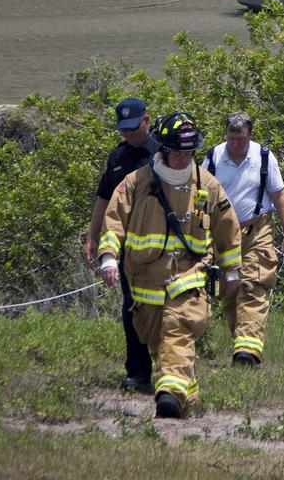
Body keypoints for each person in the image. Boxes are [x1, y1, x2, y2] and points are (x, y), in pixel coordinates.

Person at [98, 110, 242, 419]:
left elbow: (228, 230)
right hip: (145, 285)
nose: (182, 158)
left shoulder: (208, 185)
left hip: (189, 280)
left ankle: (169, 397)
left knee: (178, 331)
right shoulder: (136, 183)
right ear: (162, 149)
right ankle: (182, 391)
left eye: (188, 152)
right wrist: (109, 258)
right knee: (158, 343)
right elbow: (113, 221)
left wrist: (232, 272)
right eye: (177, 152)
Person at [204, 111, 284, 366]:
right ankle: (242, 343)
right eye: (232, 139)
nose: (236, 145)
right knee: (230, 291)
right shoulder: (213, 158)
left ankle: (247, 354)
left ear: (249, 136)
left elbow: (279, 196)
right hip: (221, 234)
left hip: (257, 230)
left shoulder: (264, 157)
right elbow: (200, 200)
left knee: (253, 285)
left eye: (241, 140)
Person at [84, 97, 157, 393]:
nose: (128, 135)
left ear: (146, 121)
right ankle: (138, 373)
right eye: (123, 129)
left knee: (167, 311)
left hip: (161, 249)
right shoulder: (117, 158)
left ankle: (172, 371)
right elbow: (104, 201)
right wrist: (93, 238)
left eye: (133, 128)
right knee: (132, 309)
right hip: (128, 250)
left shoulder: (164, 155)